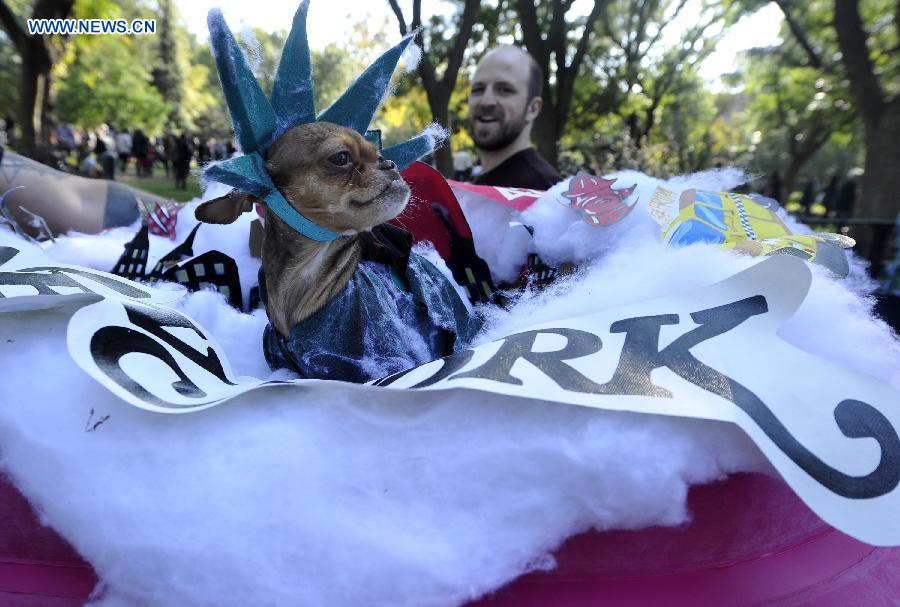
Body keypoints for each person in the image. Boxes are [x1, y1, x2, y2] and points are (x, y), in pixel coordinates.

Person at [467, 45, 562, 190]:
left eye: (504, 90)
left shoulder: (546, 197)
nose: (486, 101)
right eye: (478, 89)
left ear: (533, 109)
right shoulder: (470, 190)